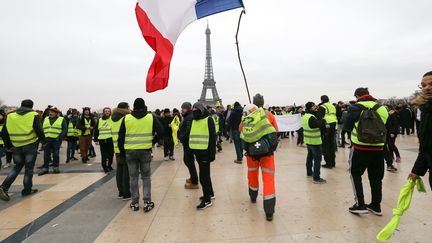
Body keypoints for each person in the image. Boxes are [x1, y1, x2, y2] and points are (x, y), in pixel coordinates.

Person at [344, 88, 389, 215]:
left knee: (355, 175)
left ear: (357, 96)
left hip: (360, 147)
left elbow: (347, 127)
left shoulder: (355, 108)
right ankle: (376, 205)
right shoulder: (381, 108)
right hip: (378, 148)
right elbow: (386, 126)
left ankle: (360, 204)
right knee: (376, 178)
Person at [118, 98, 163, 212]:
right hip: (145, 150)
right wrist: (152, 142)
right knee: (146, 177)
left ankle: (135, 202)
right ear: (144, 106)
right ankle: (147, 201)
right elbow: (161, 131)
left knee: (133, 177)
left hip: (130, 151)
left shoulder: (126, 118)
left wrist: (122, 153)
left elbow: (121, 138)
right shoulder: (150, 117)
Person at [240, 93, 279, 221]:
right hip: (267, 153)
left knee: (252, 173)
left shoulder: (247, 115)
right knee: (268, 179)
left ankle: (253, 195)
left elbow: (241, 130)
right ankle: (269, 212)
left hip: (251, 153)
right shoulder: (269, 115)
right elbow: (275, 132)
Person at [0, 99, 45, 201]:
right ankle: (27, 190)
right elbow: (39, 130)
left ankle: (4, 187)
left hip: (16, 146)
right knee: (29, 169)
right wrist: (44, 142)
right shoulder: (33, 115)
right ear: (31, 106)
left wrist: (8, 145)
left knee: (17, 166)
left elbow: (4, 132)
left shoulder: (11, 116)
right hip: (30, 146)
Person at [189, 103, 216, 210]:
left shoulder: (208, 120)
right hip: (197, 152)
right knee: (206, 175)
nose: (194, 111)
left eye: (196, 109)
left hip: (205, 152)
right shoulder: (194, 120)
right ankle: (210, 193)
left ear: (201, 110)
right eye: (193, 109)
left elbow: (213, 137)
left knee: (203, 177)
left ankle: (207, 200)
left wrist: (212, 153)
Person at [408, 71, 432, 188]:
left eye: (431, 84)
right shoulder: (425, 111)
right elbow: (426, 146)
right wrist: (417, 170)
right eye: (423, 85)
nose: (427, 88)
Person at [302, 102, 327, 184]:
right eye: (314, 106)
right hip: (315, 141)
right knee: (317, 159)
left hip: (308, 141)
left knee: (310, 157)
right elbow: (318, 124)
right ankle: (316, 178)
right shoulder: (312, 117)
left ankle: (309, 173)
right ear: (310, 107)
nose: (316, 107)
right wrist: (323, 120)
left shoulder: (305, 116)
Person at [111, 102, 131, 200]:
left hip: (116, 147)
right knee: (126, 171)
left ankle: (120, 192)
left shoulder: (112, 118)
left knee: (119, 170)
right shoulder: (125, 118)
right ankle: (126, 193)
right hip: (124, 147)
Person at [39, 107, 67, 175]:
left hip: (56, 140)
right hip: (46, 139)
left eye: (52, 112)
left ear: (56, 113)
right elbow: (41, 129)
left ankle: (56, 167)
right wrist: (42, 139)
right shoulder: (45, 119)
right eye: (50, 112)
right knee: (46, 155)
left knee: (56, 154)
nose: (50, 113)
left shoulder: (61, 119)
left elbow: (64, 129)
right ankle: (45, 168)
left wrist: (60, 137)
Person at [178, 102, 199, 190]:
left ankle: (194, 182)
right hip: (187, 143)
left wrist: (182, 137)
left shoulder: (189, 117)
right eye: (182, 108)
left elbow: (189, 131)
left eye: (184, 108)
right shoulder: (187, 116)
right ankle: (193, 178)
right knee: (187, 161)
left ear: (188, 109)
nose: (182, 109)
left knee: (189, 161)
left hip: (188, 143)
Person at [317, 95, 337, 168]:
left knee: (326, 145)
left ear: (321, 100)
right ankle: (333, 162)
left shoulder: (323, 106)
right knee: (331, 144)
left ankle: (328, 163)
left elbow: (319, 117)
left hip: (326, 126)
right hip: (333, 125)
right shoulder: (332, 106)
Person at [94, 107, 114, 173]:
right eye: (106, 111)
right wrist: (96, 139)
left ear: (110, 112)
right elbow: (96, 130)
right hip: (102, 140)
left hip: (110, 139)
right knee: (104, 155)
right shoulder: (100, 120)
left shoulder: (113, 119)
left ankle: (109, 165)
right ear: (103, 112)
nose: (107, 112)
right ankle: (104, 167)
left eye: (108, 111)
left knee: (111, 154)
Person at [384, 105, 400, 172]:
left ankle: (397, 156)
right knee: (389, 145)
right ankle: (391, 157)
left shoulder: (394, 114)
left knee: (391, 144)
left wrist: (392, 132)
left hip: (392, 132)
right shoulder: (387, 114)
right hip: (388, 132)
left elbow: (395, 124)